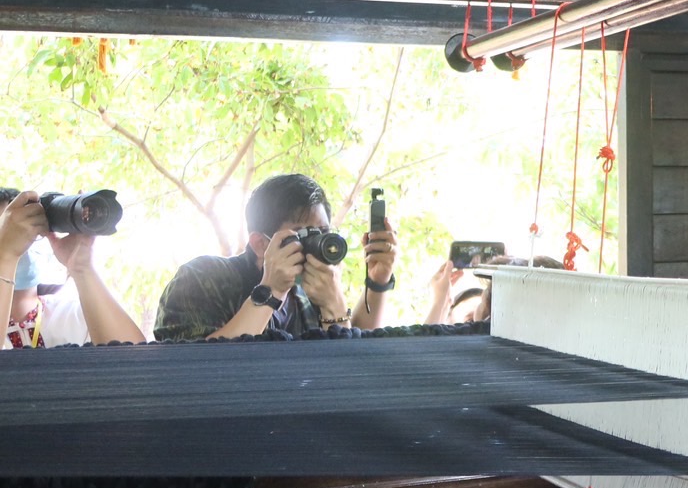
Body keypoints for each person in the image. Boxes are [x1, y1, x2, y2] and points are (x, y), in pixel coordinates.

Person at [154, 173, 399, 341]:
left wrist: (373, 284)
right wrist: (270, 291)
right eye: (302, 235)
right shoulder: (202, 277)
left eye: (323, 233)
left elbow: (354, 367)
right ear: (261, 244)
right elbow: (194, 371)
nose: (315, 245)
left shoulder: (311, 294)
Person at [0, 188, 146, 348]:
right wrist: (6, 256)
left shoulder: (75, 315)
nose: (22, 244)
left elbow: (137, 363)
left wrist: (82, 269)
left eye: (31, 230)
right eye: (11, 234)